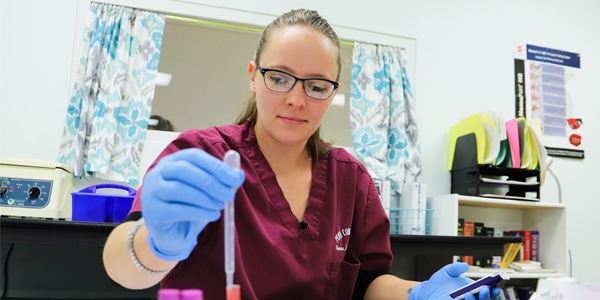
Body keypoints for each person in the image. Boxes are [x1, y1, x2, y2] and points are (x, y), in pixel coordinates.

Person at [103, 8, 500, 300]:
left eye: (316, 85)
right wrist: (157, 243)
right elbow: (122, 269)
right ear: (252, 76)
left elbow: (369, 283)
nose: (296, 99)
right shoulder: (201, 154)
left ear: (333, 92)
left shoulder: (351, 179)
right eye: (279, 78)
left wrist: (419, 294)